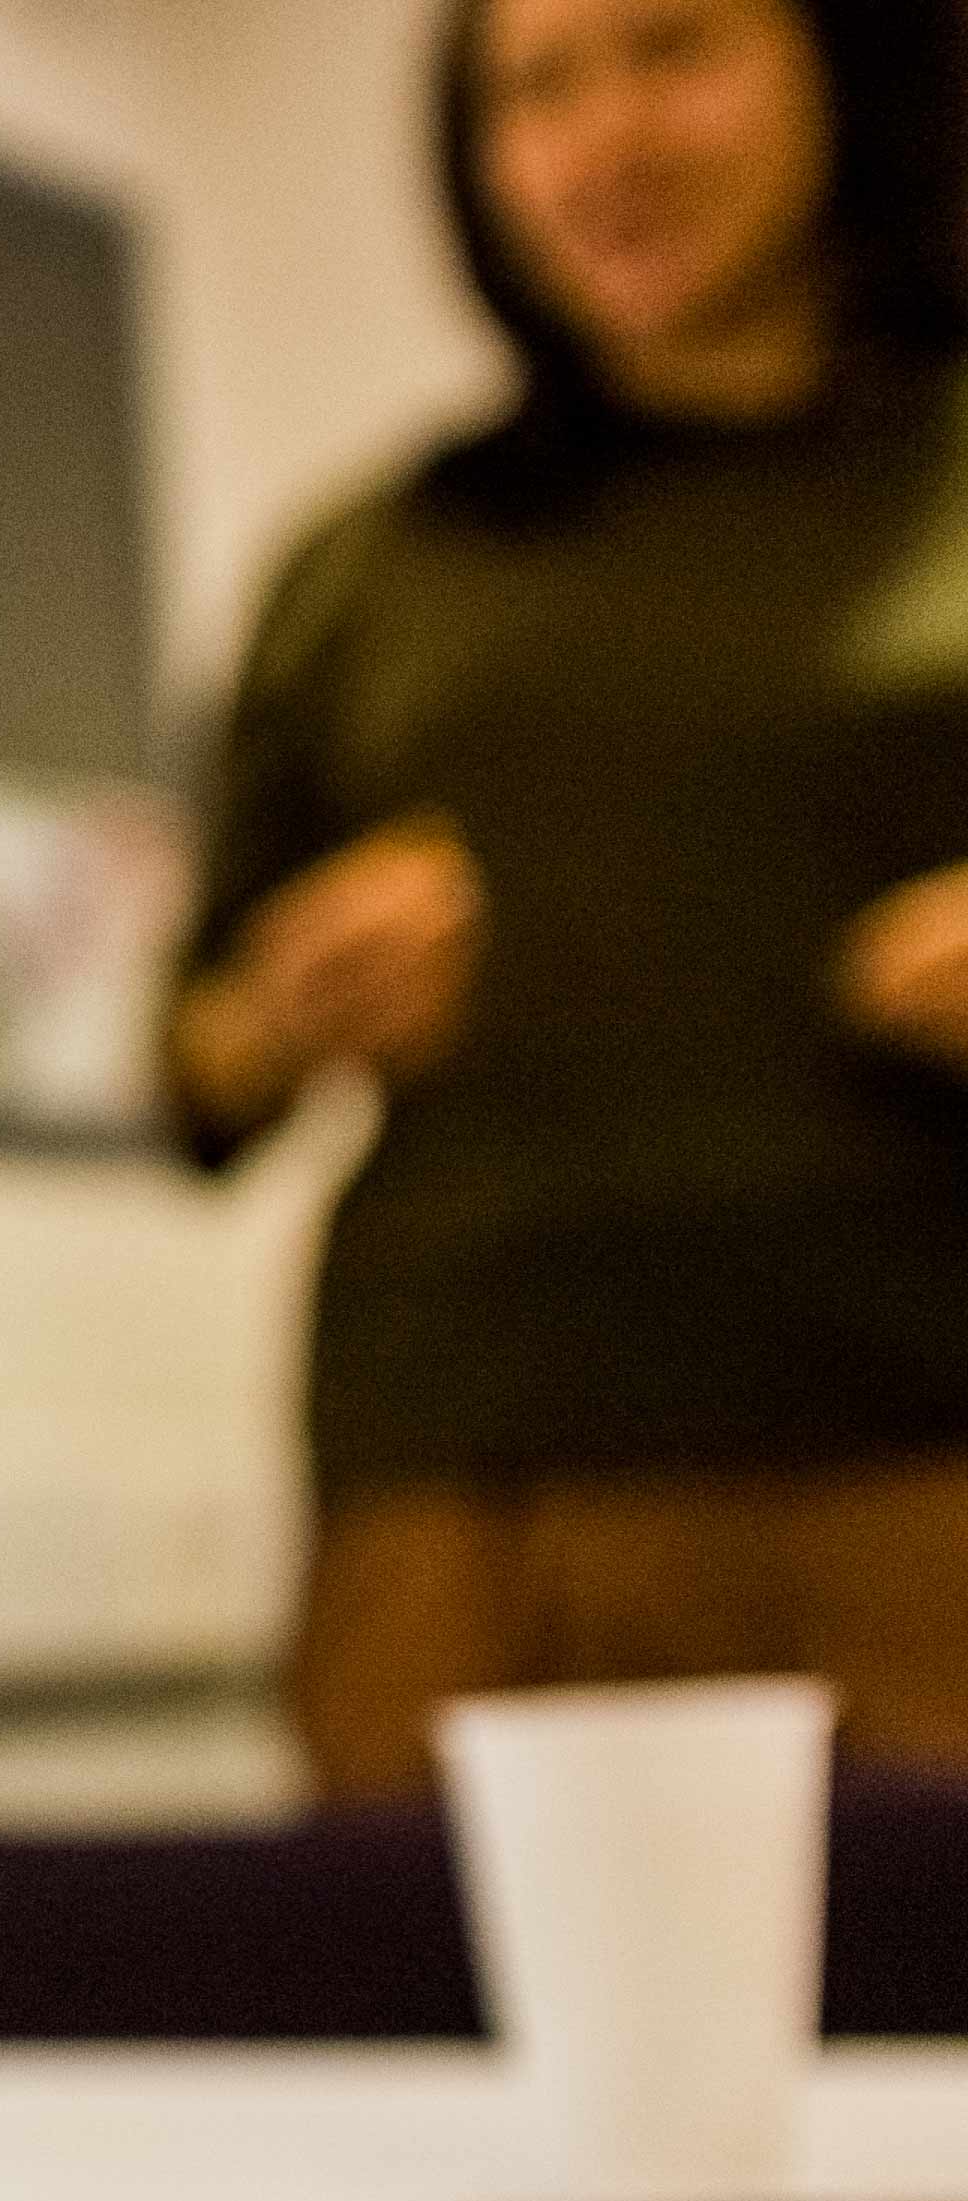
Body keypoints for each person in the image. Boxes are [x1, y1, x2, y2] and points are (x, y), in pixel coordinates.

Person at [171, 0, 968, 1798]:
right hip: (471, 1489)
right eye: (536, 89)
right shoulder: (375, 563)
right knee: (442, 1975)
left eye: (673, 51)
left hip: (927, 1452)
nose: (605, 142)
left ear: (843, 70)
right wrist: (285, 1013)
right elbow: (190, 1065)